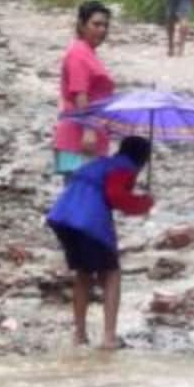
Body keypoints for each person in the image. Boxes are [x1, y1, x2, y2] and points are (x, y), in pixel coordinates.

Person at [46, 136, 155, 349]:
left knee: (84, 272)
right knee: (112, 273)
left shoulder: (101, 163)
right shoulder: (125, 168)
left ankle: (79, 335)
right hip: (88, 221)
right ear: (142, 159)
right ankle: (109, 337)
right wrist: (143, 203)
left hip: (62, 216)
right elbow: (115, 196)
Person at [54, 0, 117, 183]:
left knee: (80, 200)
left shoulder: (86, 52)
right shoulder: (78, 54)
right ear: (81, 25)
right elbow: (80, 94)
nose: (102, 30)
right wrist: (89, 131)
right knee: (81, 200)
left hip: (81, 136)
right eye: (96, 24)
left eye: (105, 25)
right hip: (78, 139)